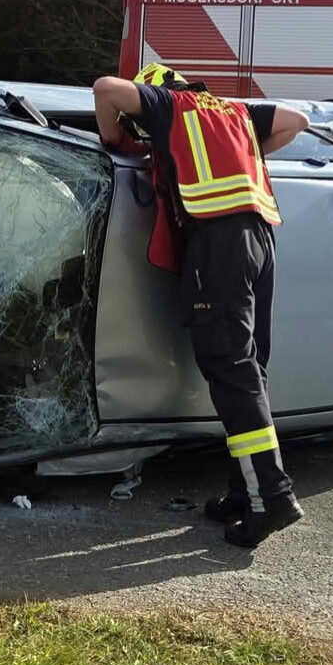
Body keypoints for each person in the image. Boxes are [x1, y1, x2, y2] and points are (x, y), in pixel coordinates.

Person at [92, 63, 311, 547]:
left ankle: (270, 498)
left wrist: (120, 144)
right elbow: (297, 121)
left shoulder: (169, 105)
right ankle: (245, 488)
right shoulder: (231, 111)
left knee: (231, 371)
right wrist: (251, 152)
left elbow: (106, 90)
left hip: (216, 246)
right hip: (260, 239)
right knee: (251, 369)